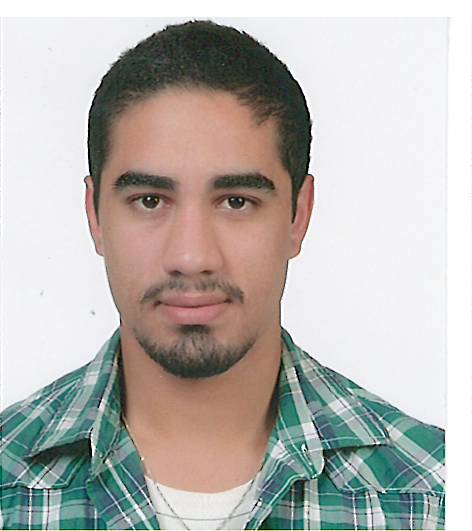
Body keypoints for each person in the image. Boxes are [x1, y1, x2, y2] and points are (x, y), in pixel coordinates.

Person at [0, 20, 444, 530]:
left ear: (298, 216)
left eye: (236, 201)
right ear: (95, 215)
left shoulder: (434, 495)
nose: (191, 256)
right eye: (150, 201)